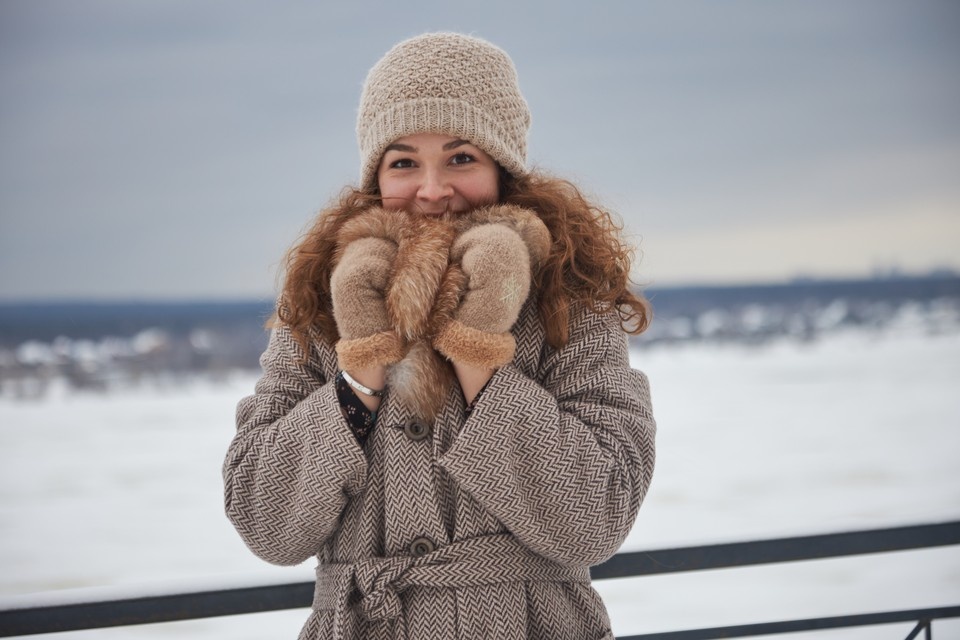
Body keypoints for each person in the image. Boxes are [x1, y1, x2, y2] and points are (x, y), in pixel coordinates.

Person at [223, 32, 656, 640]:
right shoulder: (321, 306)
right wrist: (363, 362)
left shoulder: (570, 302)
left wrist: (480, 354)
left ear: (502, 169)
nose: (431, 190)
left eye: (460, 158)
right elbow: (265, 523)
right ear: (377, 176)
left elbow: (596, 517)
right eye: (404, 162)